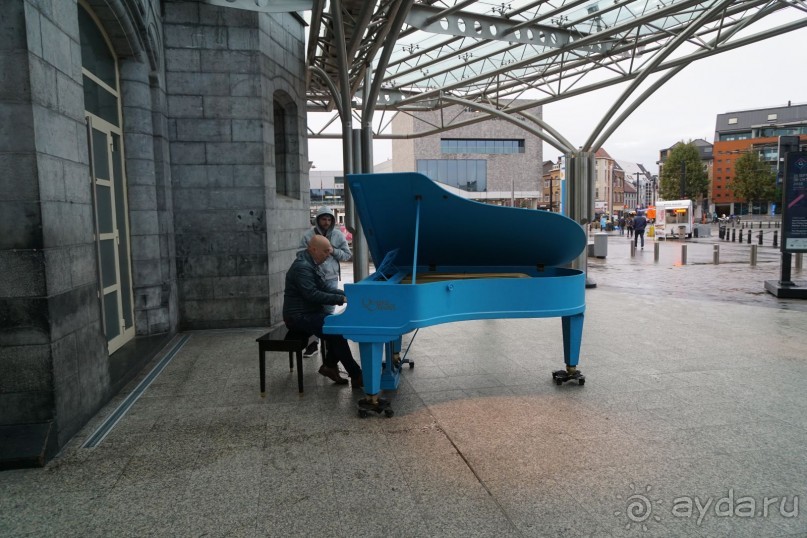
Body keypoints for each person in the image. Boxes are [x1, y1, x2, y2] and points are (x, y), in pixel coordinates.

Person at [283, 235, 362, 387]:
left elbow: (324, 287)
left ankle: (330, 366)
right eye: (325, 252)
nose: (328, 255)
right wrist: (341, 300)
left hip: (309, 313)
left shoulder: (311, 263)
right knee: (336, 331)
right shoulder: (302, 267)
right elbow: (312, 294)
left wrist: (347, 294)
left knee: (336, 329)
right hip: (297, 317)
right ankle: (355, 374)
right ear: (313, 249)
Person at [299, 206, 352, 357]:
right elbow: (300, 254)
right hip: (312, 278)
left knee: (328, 312)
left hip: (330, 278)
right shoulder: (308, 235)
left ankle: (330, 343)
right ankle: (313, 344)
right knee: (313, 312)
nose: (326, 222)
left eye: (329, 219)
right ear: (318, 219)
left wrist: (333, 251)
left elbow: (347, 255)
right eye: (324, 219)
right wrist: (314, 252)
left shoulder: (337, 235)